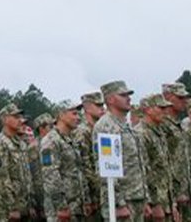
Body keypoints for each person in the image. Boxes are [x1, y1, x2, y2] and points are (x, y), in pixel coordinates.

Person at [93, 81, 148, 221]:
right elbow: (105, 168)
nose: (128, 98)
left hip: (136, 197)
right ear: (110, 99)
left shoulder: (126, 126)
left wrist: (145, 197)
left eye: (128, 95)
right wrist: (118, 203)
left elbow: (139, 164)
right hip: (121, 201)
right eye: (123, 95)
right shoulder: (106, 126)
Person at [40, 101, 87, 221]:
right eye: (74, 114)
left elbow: (78, 171)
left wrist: (85, 200)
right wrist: (61, 206)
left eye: (78, 114)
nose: (78, 117)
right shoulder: (51, 141)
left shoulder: (71, 140)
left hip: (76, 207)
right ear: (61, 115)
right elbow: (50, 175)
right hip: (61, 211)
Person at [0, 103, 34, 220]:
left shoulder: (21, 143)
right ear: (5, 119)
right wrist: (12, 207)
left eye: (20, 117)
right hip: (7, 209)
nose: (20, 120)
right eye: (15, 117)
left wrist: (31, 204)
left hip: (23, 205)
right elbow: (1, 178)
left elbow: (26, 175)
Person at [137, 94, 176, 221]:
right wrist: (154, 203)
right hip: (155, 201)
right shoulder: (141, 134)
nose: (165, 112)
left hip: (166, 198)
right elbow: (144, 171)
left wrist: (172, 203)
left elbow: (165, 169)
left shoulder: (159, 132)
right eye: (161, 108)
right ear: (148, 109)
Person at [160, 83, 191, 219]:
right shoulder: (162, 125)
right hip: (169, 193)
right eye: (180, 97)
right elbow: (161, 163)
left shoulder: (179, 125)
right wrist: (170, 198)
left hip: (183, 192)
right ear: (167, 97)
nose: (184, 101)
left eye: (185, 97)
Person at [75, 92, 105, 222]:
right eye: (98, 105)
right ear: (86, 108)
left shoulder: (99, 129)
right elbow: (84, 166)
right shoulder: (82, 132)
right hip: (92, 194)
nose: (102, 109)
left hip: (101, 192)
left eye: (102, 105)